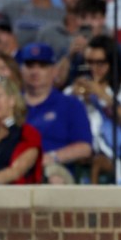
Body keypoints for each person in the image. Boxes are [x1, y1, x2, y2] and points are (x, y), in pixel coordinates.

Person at [66, 35, 121, 184]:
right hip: (77, 150)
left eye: (100, 63)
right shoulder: (71, 92)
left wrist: (104, 97)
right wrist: (73, 102)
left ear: (111, 63)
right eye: (89, 62)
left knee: (98, 162)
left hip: (111, 155)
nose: (93, 68)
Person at [20, 43, 92, 183]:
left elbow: (85, 147)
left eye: (42, 66)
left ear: (54, 71)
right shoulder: (9, 103)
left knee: (54, 178)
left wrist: (52, 157)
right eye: (30, 66)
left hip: (53, 167)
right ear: (21, 70)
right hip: (14, 167)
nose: (35, 71)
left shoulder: (70, 104)